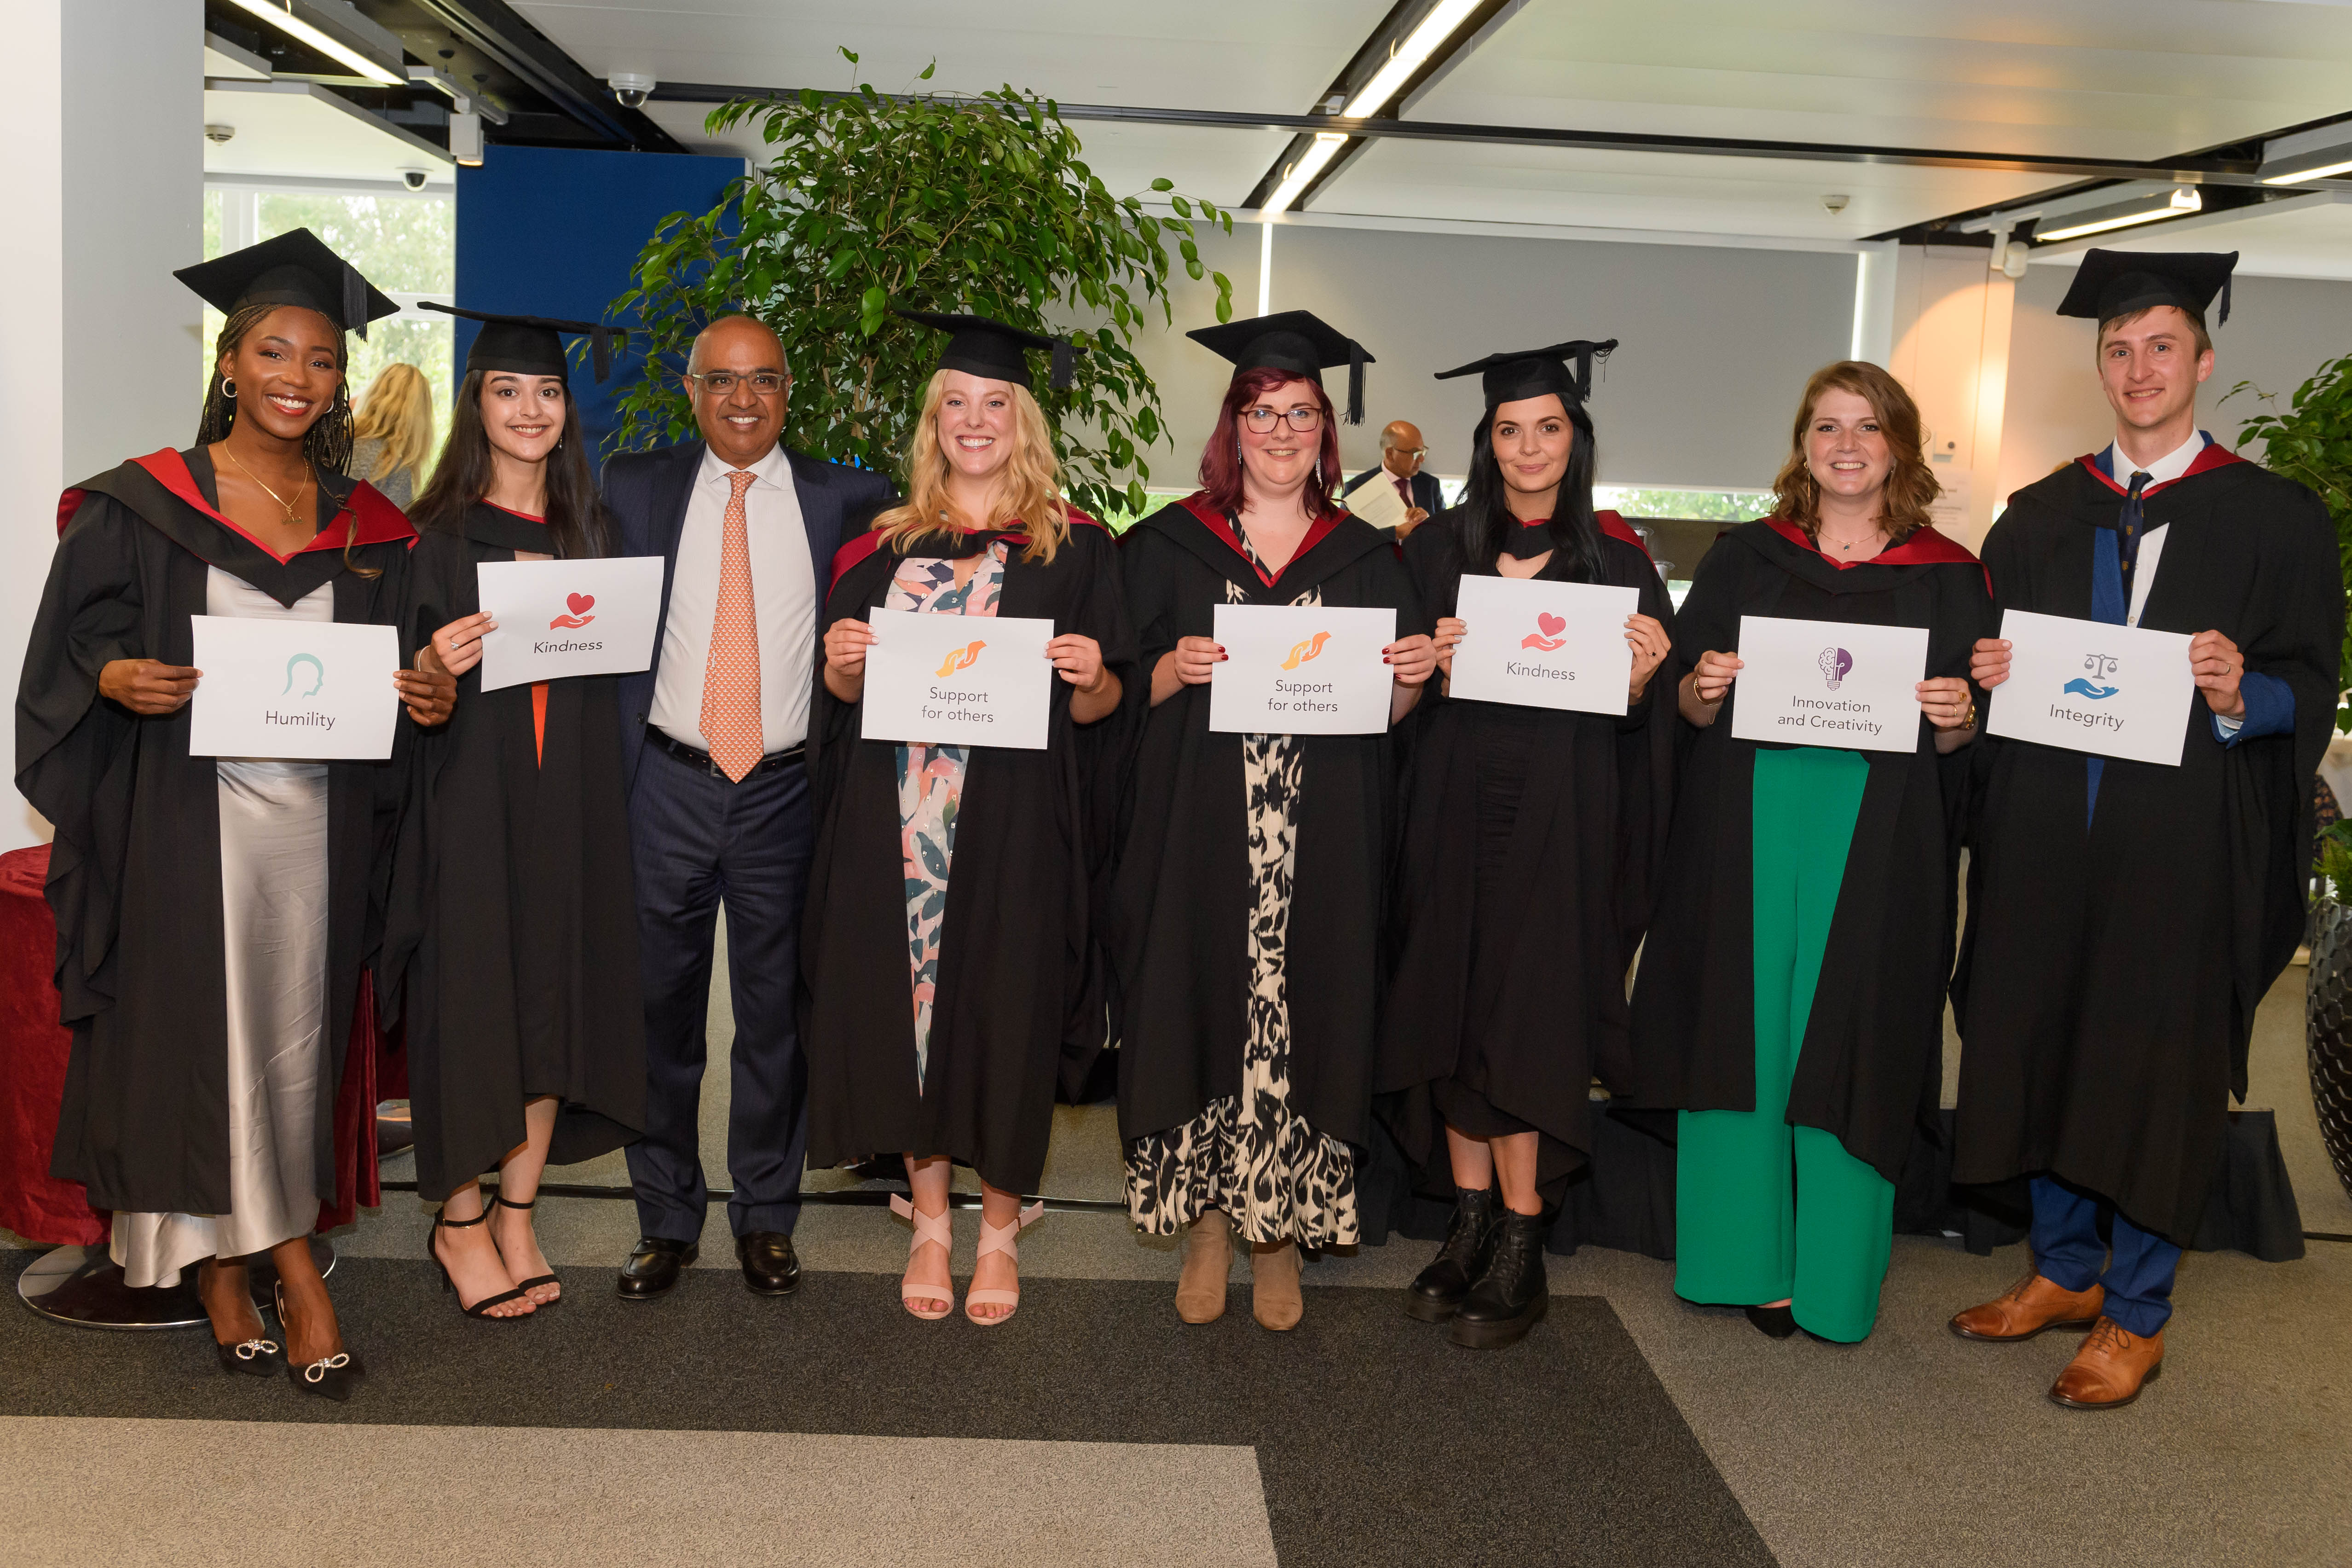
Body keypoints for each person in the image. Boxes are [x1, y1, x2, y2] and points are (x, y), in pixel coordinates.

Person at [16, 229, 456, 1397]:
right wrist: (115, 677)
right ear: (229, 362)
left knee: (291, 1038)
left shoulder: (369, 524)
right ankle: (278, 1267)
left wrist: (428, 690)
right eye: (273, 351)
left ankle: (240, 1255)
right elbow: (73, 650)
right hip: (185, 817)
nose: (295, 376)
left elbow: (408, 665)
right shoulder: (143, 502)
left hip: (321, 826)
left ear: (339, 381)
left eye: (320, 358)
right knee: (197, 1039)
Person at [1949, 250, 2341, 1407]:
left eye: (2160, 345)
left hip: (2178, 852)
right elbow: (1988, 676)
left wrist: (2236, 693)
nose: (2137, 368)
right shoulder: (2036, 516)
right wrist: (1986, 674)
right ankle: (2064, 1270)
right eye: (2117, 349)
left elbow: (2307, 684)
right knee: (2040, 1037)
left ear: (2201, 361)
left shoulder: (2273, 518)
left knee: (2154, 1064)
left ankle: (2136, 1310)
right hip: (2044, 838)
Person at [1629, 360, 1992, 1344]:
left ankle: (1832, 1274)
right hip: (1745, 817)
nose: (1845, 445)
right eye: (1826, 426)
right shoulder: (1745, 557)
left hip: (1876, 833)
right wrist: (1701, 686)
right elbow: (1685, 706)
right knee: (1740, 1027)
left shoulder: (1951, 574)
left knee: (1852, 1029)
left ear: (1897, 446)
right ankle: (1741, 1259)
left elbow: (1964, 741)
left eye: (1866, 427)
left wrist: (1957, 717)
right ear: (1801, 445)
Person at [804, 312, 1137, 1324]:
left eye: (996, 402)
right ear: (933, 420)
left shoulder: (1074, 547)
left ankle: (996, 1228)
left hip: (1016, 820)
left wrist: (1091, 675)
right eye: (956, 402)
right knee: (907, 1009)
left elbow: (1105, 707)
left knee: (1007, 1008)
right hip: (899, 815)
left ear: (1022, 420)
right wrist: (842, 662)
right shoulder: (881, 545)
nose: (975, 419)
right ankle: (930, 1220)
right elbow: (839, 694)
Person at [1111, 310, 1437, 1331]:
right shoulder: (1165, 545)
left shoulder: (1368, 557)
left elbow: (1390, 712)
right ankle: (1211, 1223)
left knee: (1306, 1007)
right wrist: (1172, 668)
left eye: (1300, 412)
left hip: (1320, 832)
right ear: (1232, 426)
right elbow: (1110, 692)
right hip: (1199, 828)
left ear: (1324, 431)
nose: (1282, 430)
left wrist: (1413, 677)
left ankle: (1279, 1231)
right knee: (1203, 1000)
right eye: (1262, 412)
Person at [1379, 339, 1676, 1349]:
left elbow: (1647, 731)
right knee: (1455, 1007)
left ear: (1574, 440)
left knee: (1529, 1018)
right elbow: (1394, 696)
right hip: (1451, 808)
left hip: (1561, 820)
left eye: (1547, 427)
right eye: (1509, 429)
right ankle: (1467, 1222)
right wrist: (1420, 662)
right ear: (1488, 442)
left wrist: (1640, 686)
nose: (1528, 446)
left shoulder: (1620, 564)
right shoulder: (1435, 550)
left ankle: (1521, 1235)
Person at [601, 314, 896, 1301]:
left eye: (763, 379)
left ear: (787, 392)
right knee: (659, 1013)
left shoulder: (849, 499)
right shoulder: (631, 485)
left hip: (785, 789)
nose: (742, 399)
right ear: (690, 391)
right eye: (721, 380)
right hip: (664, 782)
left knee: (776, 1015)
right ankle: (664, 1217)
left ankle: (767, 1214)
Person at [380, 306, 647, 1319]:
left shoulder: (594, 537)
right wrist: (430, 664)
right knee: (469, 1009)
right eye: (507, 391)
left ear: (567, 408)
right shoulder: (431, 540)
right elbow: (397, 689)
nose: (529, 409)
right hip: (469, 810)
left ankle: (518, 1212)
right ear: (477, 406)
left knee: (550, 1004)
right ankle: (458, 1220)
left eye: (546, 392)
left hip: (569, 810)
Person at [345, 361, 434, 509]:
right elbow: (396, 524)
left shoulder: (336, 442)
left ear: (371, 395)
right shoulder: (393, 468)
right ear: (420, 418)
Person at [1341, 419, 1443, 541]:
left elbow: (1446, 532)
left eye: (1423, 452)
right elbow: (1348, 539)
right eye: (1415, 453)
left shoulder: (1430, 484)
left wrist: (1428, 520)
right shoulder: (1355, 488)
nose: (1422, 459)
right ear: (1390, 454)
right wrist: (1394, 533)